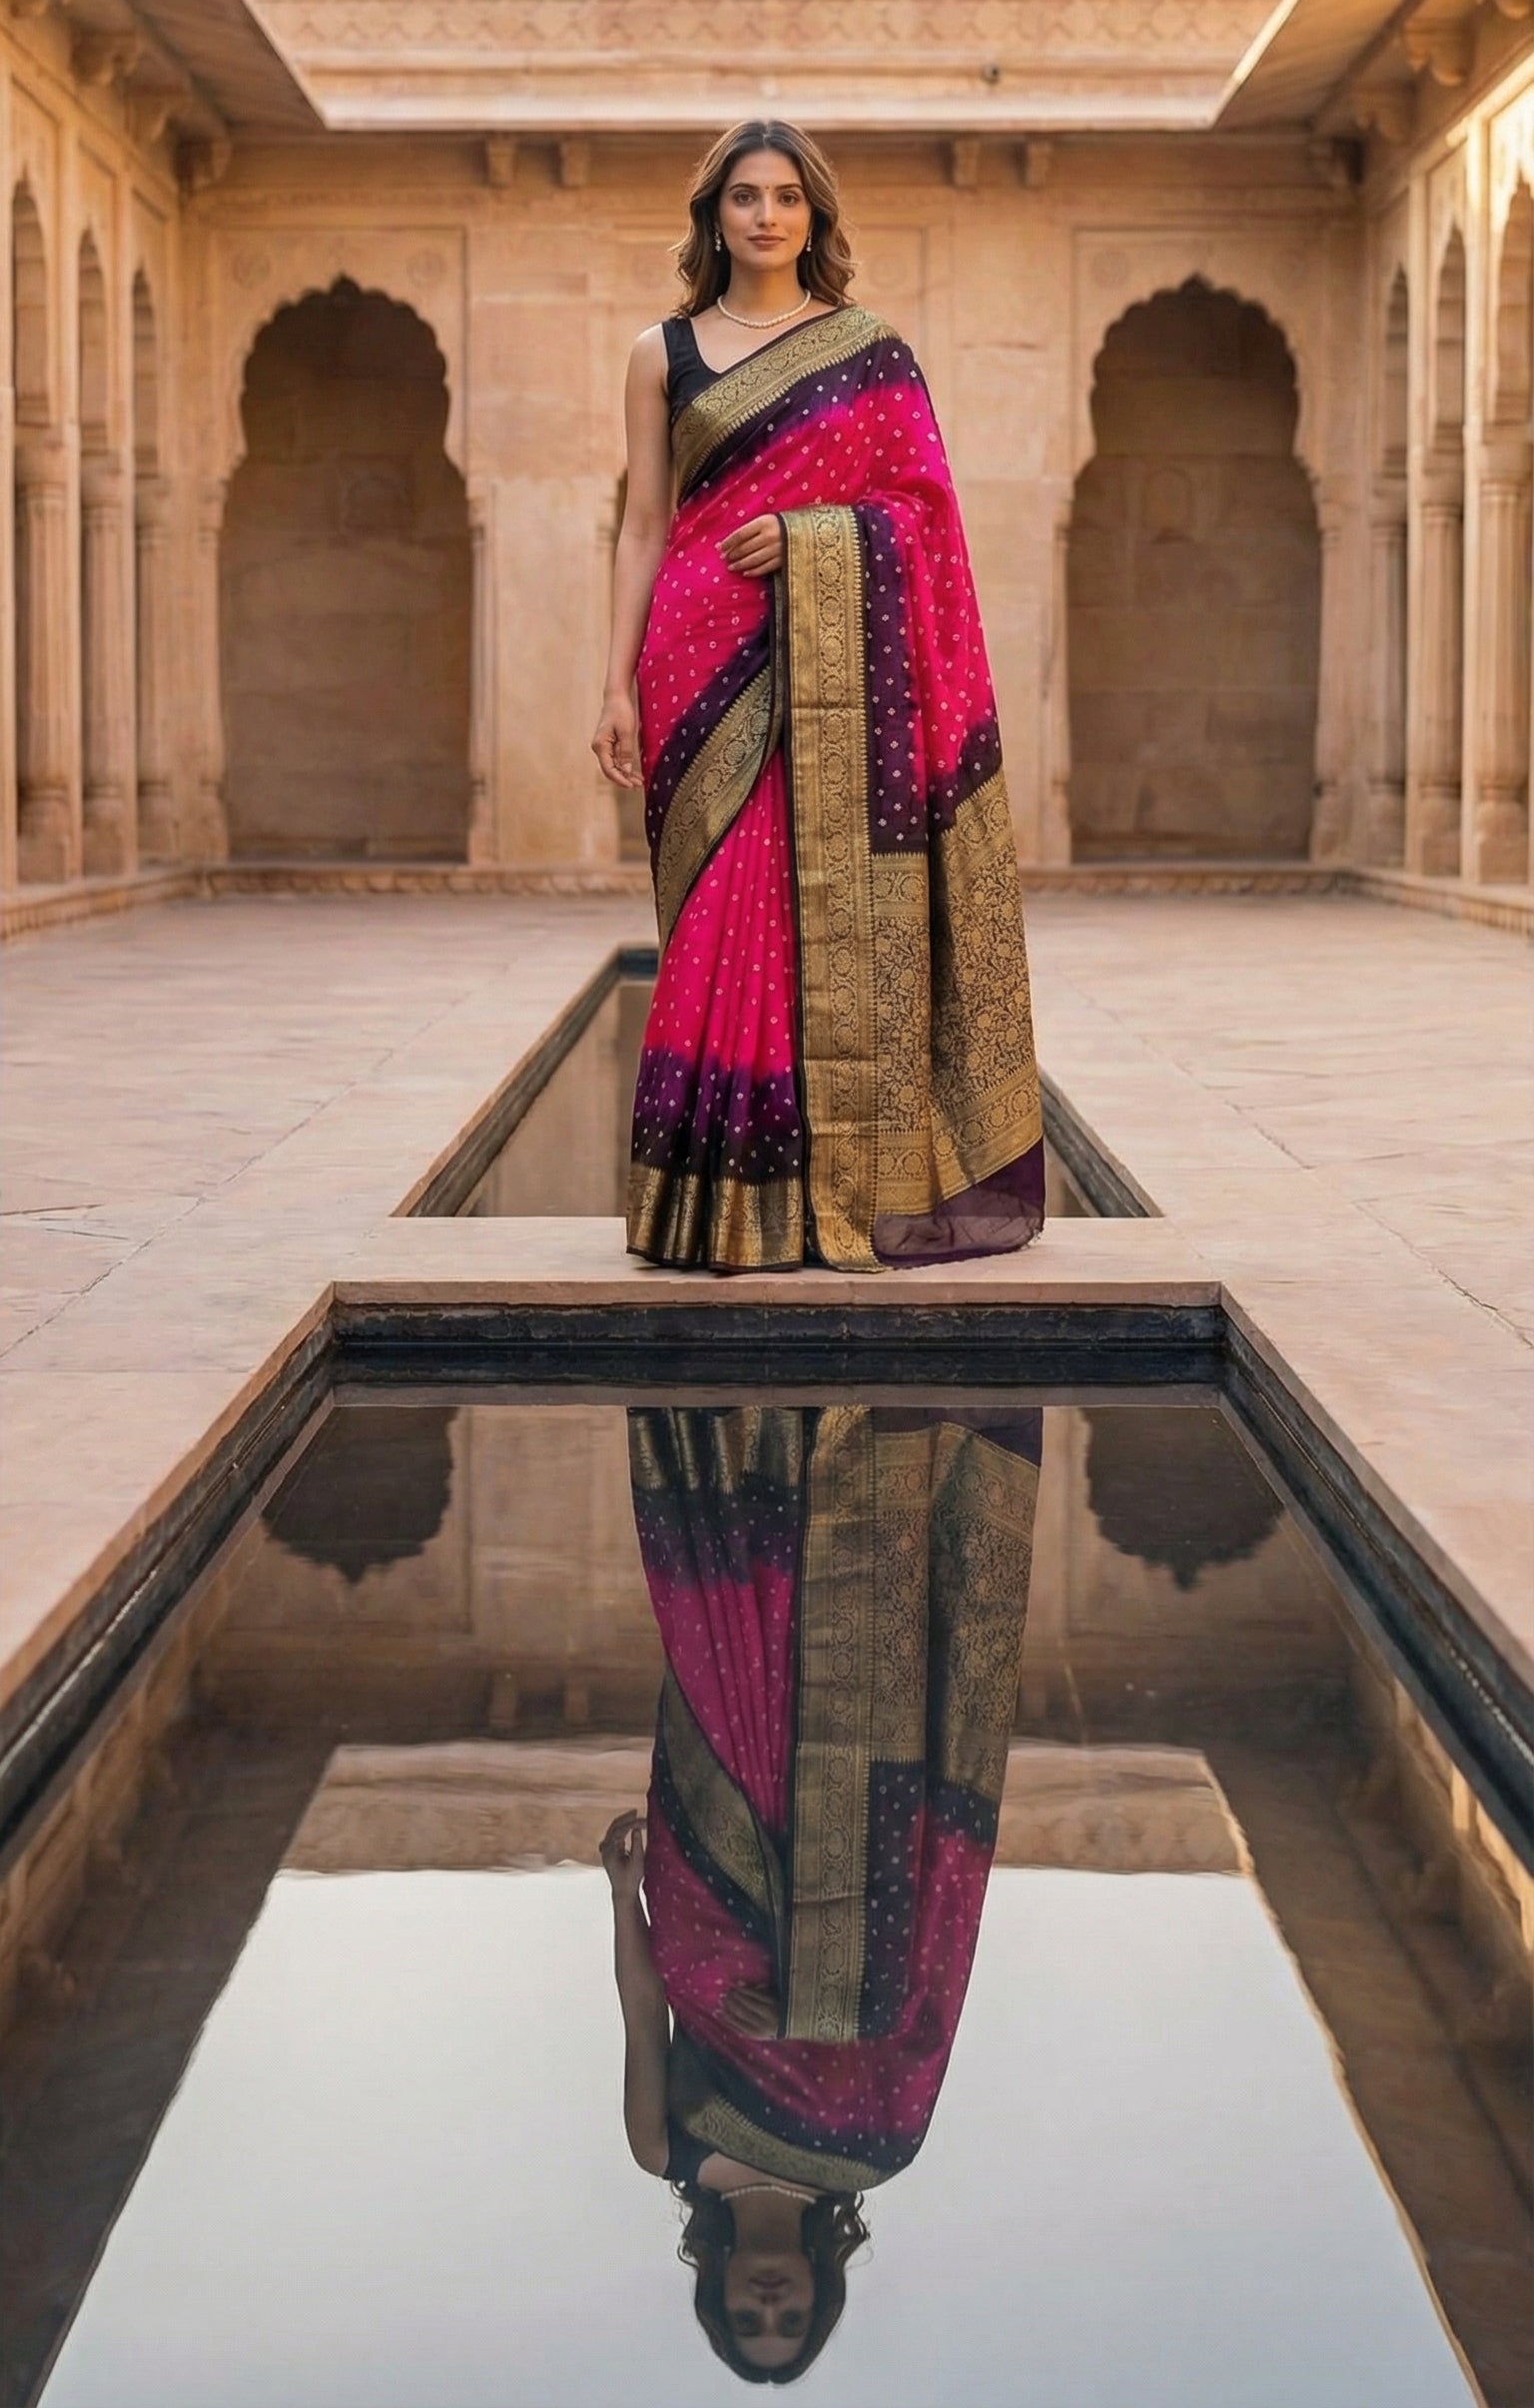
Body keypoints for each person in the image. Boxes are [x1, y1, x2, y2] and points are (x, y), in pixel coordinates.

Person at [591, 119, 1045, 1272]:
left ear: (815, 216)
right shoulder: (662, 351)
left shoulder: (867, 350)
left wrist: (807, 538)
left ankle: (804, 1199)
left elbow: (923, 515)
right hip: (695, 652)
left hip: (832, 657)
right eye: (743, 197)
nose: (765, 216)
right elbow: (643, 521)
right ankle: (703, 1204)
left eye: (787, 196)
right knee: (711, 919)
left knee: (805, 913)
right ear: (714, 217)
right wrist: (614, 681)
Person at [600, 1403, 1041, 2382]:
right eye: (790, 2318)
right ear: (815, 2290)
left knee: (722, 1643)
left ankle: (730, 1423)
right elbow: (919, 2010)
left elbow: (643, 2014)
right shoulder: (876, 2149)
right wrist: (815, 2008)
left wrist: (622, 1892)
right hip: (854, 1869)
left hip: (700, 1882)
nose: (768, 2307)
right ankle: (853, 1432)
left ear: (714, 2292)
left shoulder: (660, 2149)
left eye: (748, 2322)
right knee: (833, 1661)